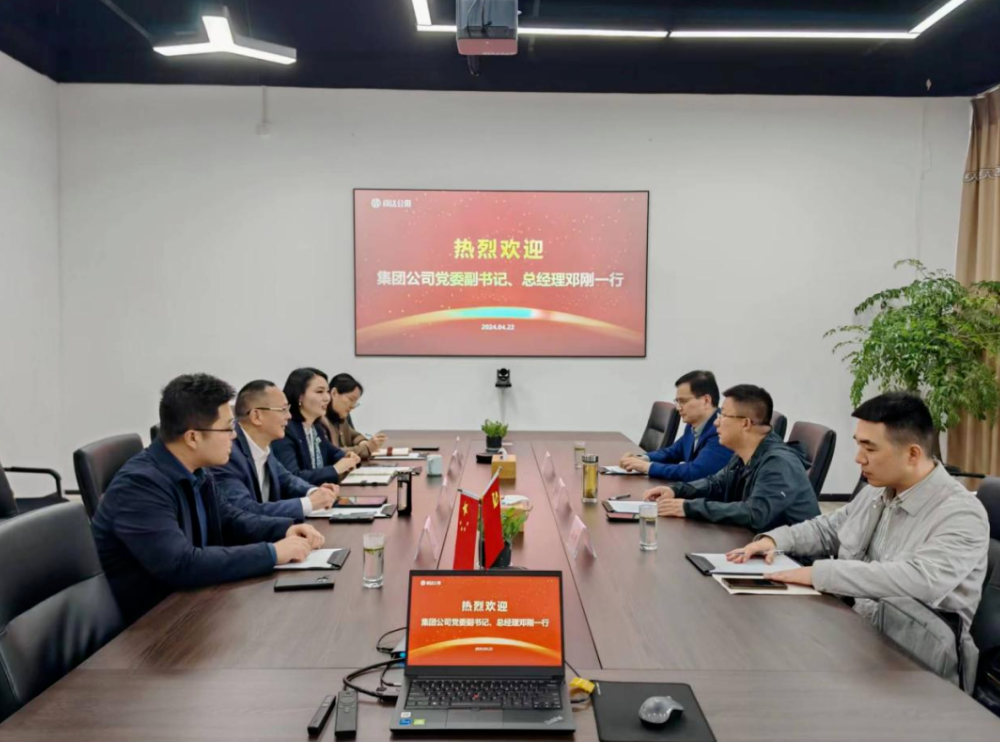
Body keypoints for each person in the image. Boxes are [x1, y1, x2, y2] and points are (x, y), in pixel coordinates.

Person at [728, 392, 989, 690]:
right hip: (856, 636)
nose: (858, 458)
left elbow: (921, 580)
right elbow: (829, 529)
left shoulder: (960, 513)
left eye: (870, 448)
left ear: (913, 454)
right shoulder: (878, 490)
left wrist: (819, 574)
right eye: (858, 444)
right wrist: (775, 540)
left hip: (916, 669)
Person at [91, 374, 325, 624]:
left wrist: (284, 529)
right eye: (227, 428)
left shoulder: (196, 469)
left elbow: (230, 518)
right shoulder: (140, 486)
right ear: (192, 437)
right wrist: (271, 553)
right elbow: (181, 564)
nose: (234, 436)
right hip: (155, 627)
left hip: (195, 605)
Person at [643, 384, 819, 531]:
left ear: (745, 423)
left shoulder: (779, 462)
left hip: (790, 557)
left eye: (724, 416)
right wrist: (676, 490)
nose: (716, 422)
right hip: (754, 544)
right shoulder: (745, 452)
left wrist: (688, 508)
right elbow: (716, 483)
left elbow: (755, 513)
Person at [214, 380, 339, 520]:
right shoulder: (227, 453)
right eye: (283, 410)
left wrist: (314, 492)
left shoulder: (264, 444)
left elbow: (286, 479)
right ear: (256, 416)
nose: (289, 416)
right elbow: (244, 510)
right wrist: (309, 503)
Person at [619, 370, 733, 482]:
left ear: (706, 401)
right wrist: (642, 458)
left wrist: (647, 467)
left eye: (683, 401)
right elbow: (672, 452)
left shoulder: (721, 430)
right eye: (677, 402)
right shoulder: (692, 425)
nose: (678, 408)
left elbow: (696, 472)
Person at [272, 367, 360, 485]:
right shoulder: (285, 430)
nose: (327, 398)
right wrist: (335, 469)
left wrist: (347, 457)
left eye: (327, 391)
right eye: (319, 392)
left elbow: (332, 452)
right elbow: (293, 477)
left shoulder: (315, 426)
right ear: (300, 396)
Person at [320, 372, 386, 461]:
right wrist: (367, 448)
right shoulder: (320, 421)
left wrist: (363, 442)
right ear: (334, 393)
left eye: (355, 402)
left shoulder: (340, 417)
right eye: (351, 399)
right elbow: (332, 453)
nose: (353, 406)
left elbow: (354, 436)